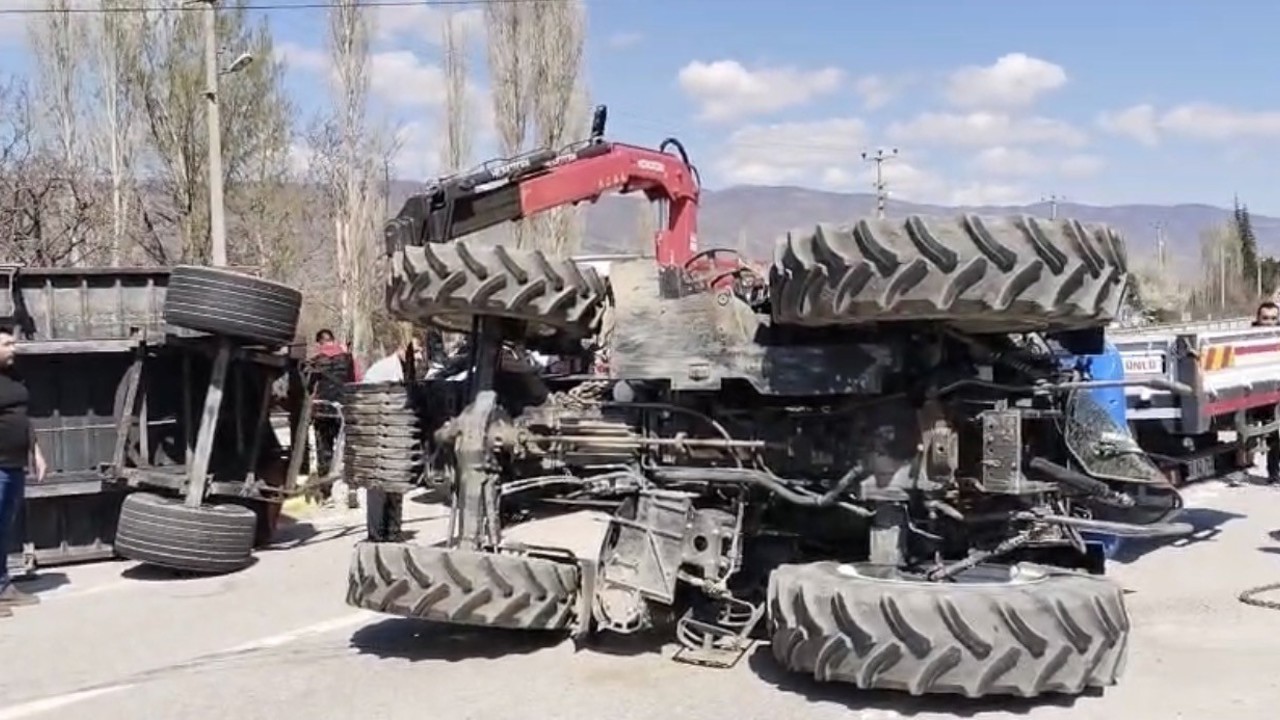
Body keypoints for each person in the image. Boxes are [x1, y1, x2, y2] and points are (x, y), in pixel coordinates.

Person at [0, 325, 46, 617]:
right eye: (6, 344)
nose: (13, 349)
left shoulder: (13, 377)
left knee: (4, 530)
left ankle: (3, 587)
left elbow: (23, 419)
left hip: (14, 465)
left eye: (13, 343)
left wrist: (36, 451)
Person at [306, 329, 359, 481]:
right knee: (348, 449)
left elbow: (308, 389)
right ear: (333, 340)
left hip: (322, 411)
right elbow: (356, 381)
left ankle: (325, 488)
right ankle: (351, 487)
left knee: (324, 450)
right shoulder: (348, 359)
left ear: (319, 342)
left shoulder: (314, 361)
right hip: (344, 409)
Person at [1253, 302, 1280, 483]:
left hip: (1277, 389)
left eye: (1273, 318)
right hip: (1257, 393)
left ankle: (1274, 472)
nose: (1269, 322)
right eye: (1265, 318)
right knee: (1267, 435)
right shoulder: (1247, 337)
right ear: (1258, 318)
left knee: (1276, 434)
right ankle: (1271, 472)